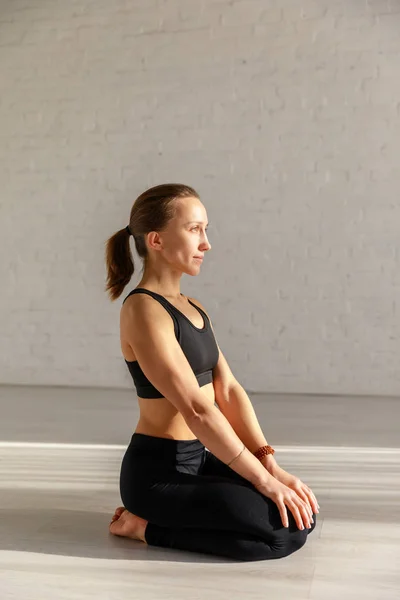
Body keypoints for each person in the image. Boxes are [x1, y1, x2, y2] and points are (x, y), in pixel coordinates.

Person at [104, 183, 319, 562]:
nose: (206, 243)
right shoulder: (142, 311)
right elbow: (197, 410)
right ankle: (144, 528)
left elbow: (228, 389)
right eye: (194, 230)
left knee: (302, 515)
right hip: (158, 473)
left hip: (201, 457)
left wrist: (269, 462)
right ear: (155, 240)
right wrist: (263, 482)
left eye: (206, 230)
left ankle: (162, 522)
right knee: (280, 538)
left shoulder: (192, 306)